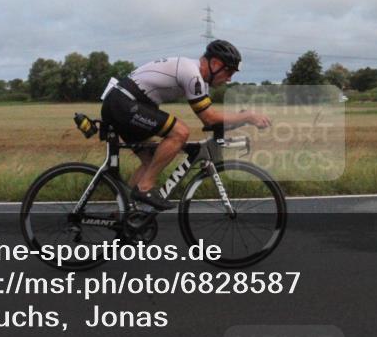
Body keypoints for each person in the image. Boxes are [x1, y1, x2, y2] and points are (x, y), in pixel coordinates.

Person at [99, 40, 271, 210]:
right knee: (179, 132)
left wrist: (239, 119)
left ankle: (124, 214)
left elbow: (213, 119)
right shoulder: (192, 74)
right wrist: (247, 116)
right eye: (228, 72)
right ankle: (144, 188)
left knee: (151, 162)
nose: (229, 79)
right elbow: (209, 118)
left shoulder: (199, 80)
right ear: (215, 63)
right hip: (124, 102)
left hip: (126, 103)